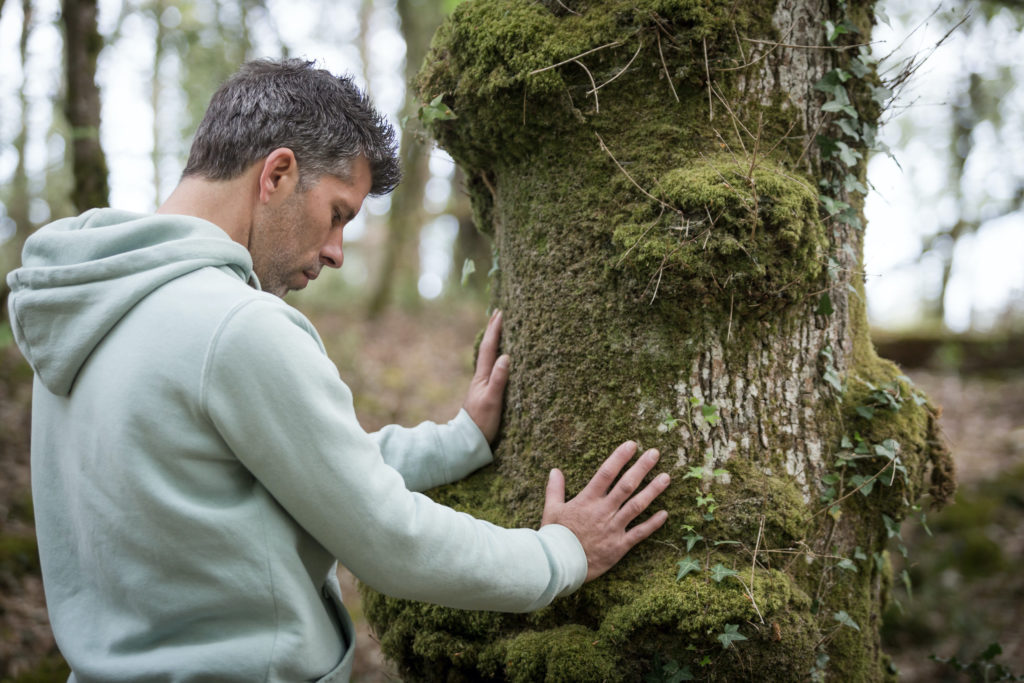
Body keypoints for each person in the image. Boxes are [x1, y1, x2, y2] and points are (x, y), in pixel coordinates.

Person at [5, 58, 670, 681]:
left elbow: (279, 466)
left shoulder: (88, 308)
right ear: (278, 175)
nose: (337, 252)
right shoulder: (237, 327)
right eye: (337, 215)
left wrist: (457, 441)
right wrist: (561, 553)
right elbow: (389, 539)